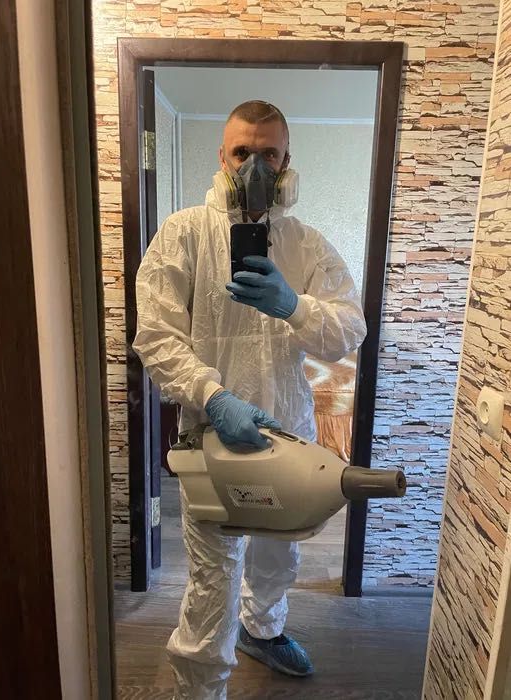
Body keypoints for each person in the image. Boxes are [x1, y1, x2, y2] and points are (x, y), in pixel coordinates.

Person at [133, 100, 367, 700]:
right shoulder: (184, 233)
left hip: (286, 432)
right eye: (242, 152)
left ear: (287, 162)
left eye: (268, 154)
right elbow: (156, 335)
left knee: (278, 554)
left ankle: (262, 629)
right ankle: (200, 689)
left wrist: (295, 306)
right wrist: (212, 396)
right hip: (213, 436)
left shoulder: (305, 244)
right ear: (222, 157)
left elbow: (350, 329)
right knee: (212, 579)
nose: (255, 167)